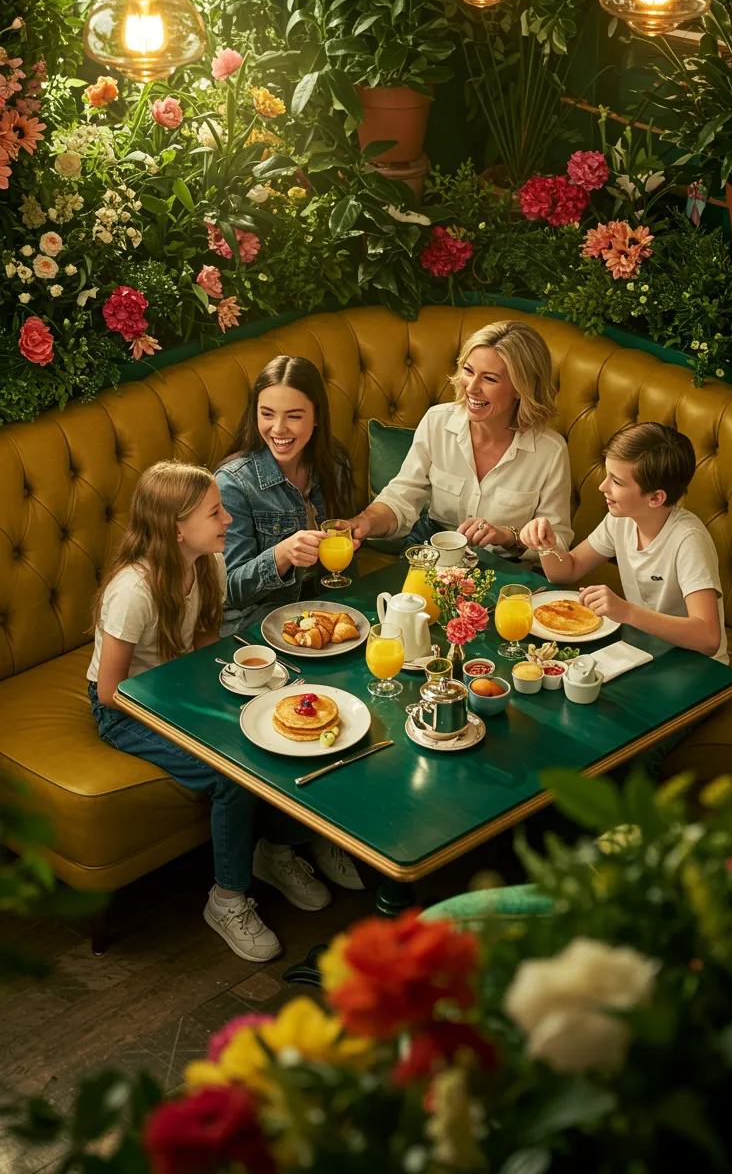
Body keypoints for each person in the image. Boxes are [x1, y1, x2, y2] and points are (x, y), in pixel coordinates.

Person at [87, 461, 359, 966]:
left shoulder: (206, 564)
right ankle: (227, 900)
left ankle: (279, 850)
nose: (228, 522)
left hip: (176, 689)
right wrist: (191, 723)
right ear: (177, 527)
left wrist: (242, 697)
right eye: (216, 513)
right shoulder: (133, 592)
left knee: (284, 727)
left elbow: (205, 649)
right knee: (232, 775)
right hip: (128, 711)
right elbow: (110, 693)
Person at [350, 320, 573, 557]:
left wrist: (509, 538)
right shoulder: (437, 422)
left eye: (490, 379)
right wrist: (364, 521)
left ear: (521, 388)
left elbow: (558, 543)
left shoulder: (550, 451)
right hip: (434, 553)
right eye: (468, 371)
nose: (472, 388)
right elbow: (401, 498)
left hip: (505, 568)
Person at [519, 421, 728, 662]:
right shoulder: (621, 520)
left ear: (655, 498)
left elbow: (708, 638)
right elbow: (567, 571)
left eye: (616, 482)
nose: (602, 486)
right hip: (647, 651)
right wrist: (547, 545)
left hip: (697, 667)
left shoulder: (688, 540)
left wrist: (626, 611)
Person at [216, 355, 355, 635]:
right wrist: (281, 555)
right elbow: (229, 591)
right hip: (256, 623)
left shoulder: (334, 463)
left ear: (316, 417)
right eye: (267, 414)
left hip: (323, 610)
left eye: (293, 416)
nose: (278, 428)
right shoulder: (233, 483)